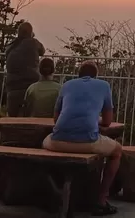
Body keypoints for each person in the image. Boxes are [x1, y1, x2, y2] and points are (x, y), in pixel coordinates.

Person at [44, 61, 122, 216]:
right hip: (88, 141)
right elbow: (107, 121)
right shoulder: (103, 85)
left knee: (42, 141)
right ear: (96, 75)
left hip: (58, 141)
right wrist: (94, 119)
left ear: (78, 74)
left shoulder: (67, 85)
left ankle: (49, 195)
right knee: (117, 150)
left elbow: (56, 118)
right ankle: (101, 199)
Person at [4, 21, 44, 118]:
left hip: (12, 87)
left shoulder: (10, 46)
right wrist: (32, 37)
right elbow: (42, 51)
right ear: (30, 33)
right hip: (30, 87)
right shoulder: (33, 42)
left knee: (12, 118)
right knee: (30, 117)